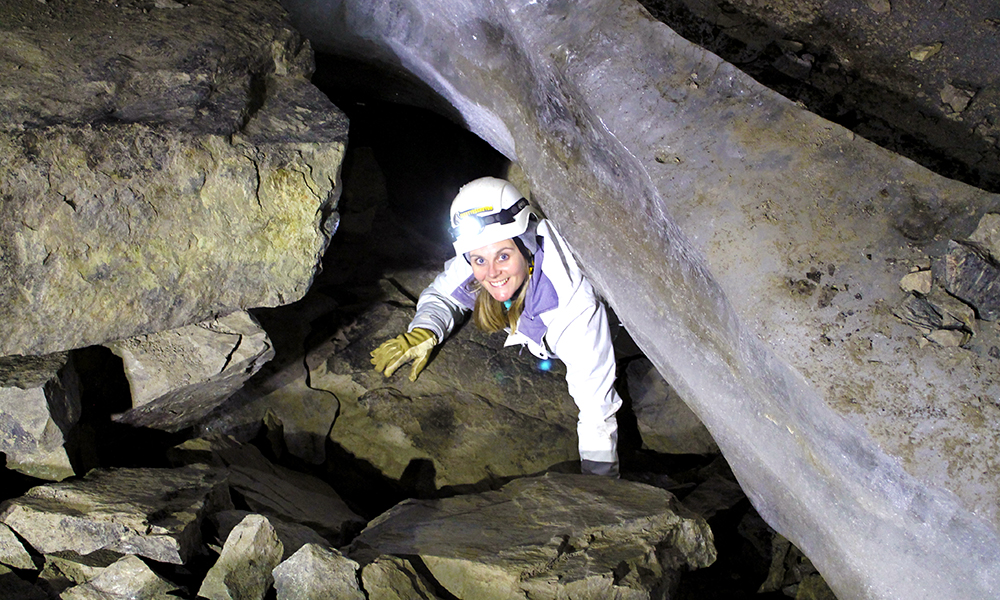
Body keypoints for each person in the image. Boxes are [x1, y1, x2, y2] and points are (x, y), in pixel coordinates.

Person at [370, 176, 622, 477]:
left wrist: (602, 495)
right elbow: (441, 294)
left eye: (503, 257)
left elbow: (597, 415)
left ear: (525, 247)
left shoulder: (572, 308)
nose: (491, 272)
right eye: (479, 260)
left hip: (617, 335)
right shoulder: (485, 249)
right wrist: (425, 330)